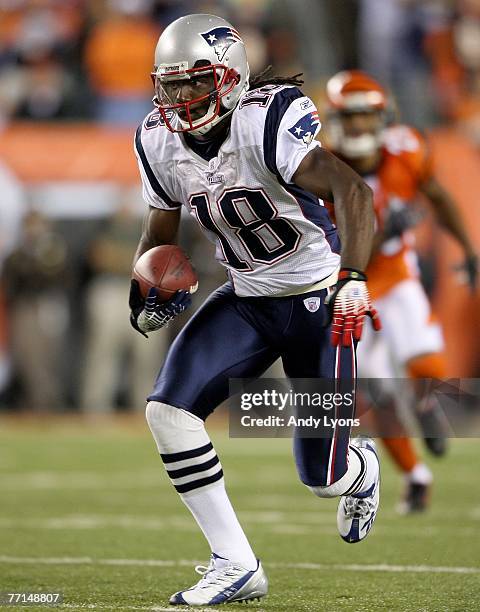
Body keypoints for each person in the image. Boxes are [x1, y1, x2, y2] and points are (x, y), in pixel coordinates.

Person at [129, 15, 381, 606]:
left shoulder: (264, 121)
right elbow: (161, 227)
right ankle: (235, 563)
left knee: (322, 479)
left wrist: (355, 278)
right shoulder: (159, 139)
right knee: (169, 413)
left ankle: (359, 470)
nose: (179, 98)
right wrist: (145, 284)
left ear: (229, 77)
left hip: (319, 302)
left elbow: (354, 192)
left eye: (193, 83)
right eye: (169, 85)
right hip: (247, 296)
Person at [324, 70, 478, 513]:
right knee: (368, 396)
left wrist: (468, 248)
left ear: (382, 118)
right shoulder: (320, 167)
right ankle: (415, 475)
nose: (358, 127)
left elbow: (437, 194)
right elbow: (344, 252)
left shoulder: (406, 149)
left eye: (366, 117)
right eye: (350, 117)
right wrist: (386, 227)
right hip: (350, 287)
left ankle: (427, 402)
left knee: (427, 362)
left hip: (398, 276)